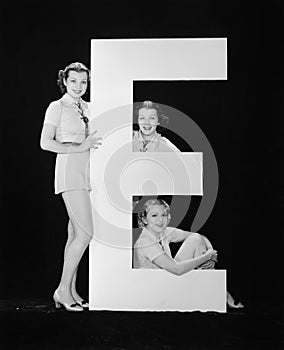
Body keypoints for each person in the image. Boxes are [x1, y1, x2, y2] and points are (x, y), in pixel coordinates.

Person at [40, 62, 102, 311]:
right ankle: (62, 290)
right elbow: (45, 142)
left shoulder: (87, 107)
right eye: (74, 81)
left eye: (83, 82)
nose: (79, 86)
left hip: (85, 172)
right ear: (64, 81)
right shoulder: (57, 107)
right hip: (69, 170)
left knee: (75, 235)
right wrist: (78, 148)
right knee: (86, 234)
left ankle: (72, 291)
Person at [133, 199, 244, 309]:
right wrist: (206, 256)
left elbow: (198, 236)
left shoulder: (163, 232)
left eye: (164, 215)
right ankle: (220, 294)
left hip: (167, 282)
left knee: (195, 239)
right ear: (144, 219)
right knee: (196, 254)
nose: (160, 220)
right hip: (155, 293)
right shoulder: (145, 242)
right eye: (154, 216)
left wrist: (211, 250)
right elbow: (177, 269)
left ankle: (218, 292)